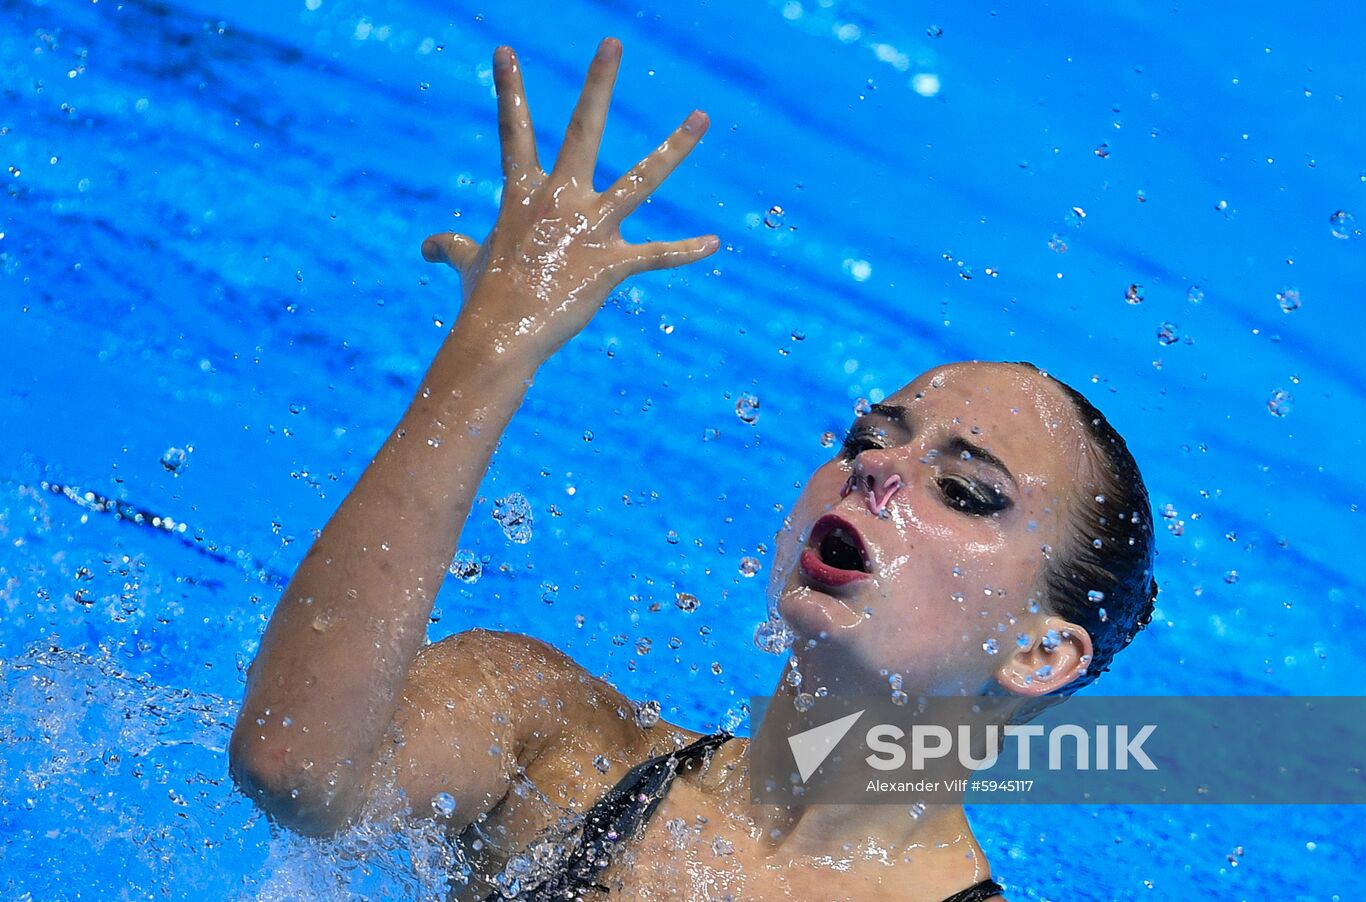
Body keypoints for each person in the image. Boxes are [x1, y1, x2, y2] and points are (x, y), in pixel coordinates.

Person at [229, 37, 1156, 901]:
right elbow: (295, 763)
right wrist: (492, 346)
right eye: (871, 437)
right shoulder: (561, 749)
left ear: (1042, 652)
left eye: (964, 490)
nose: (879, 471)